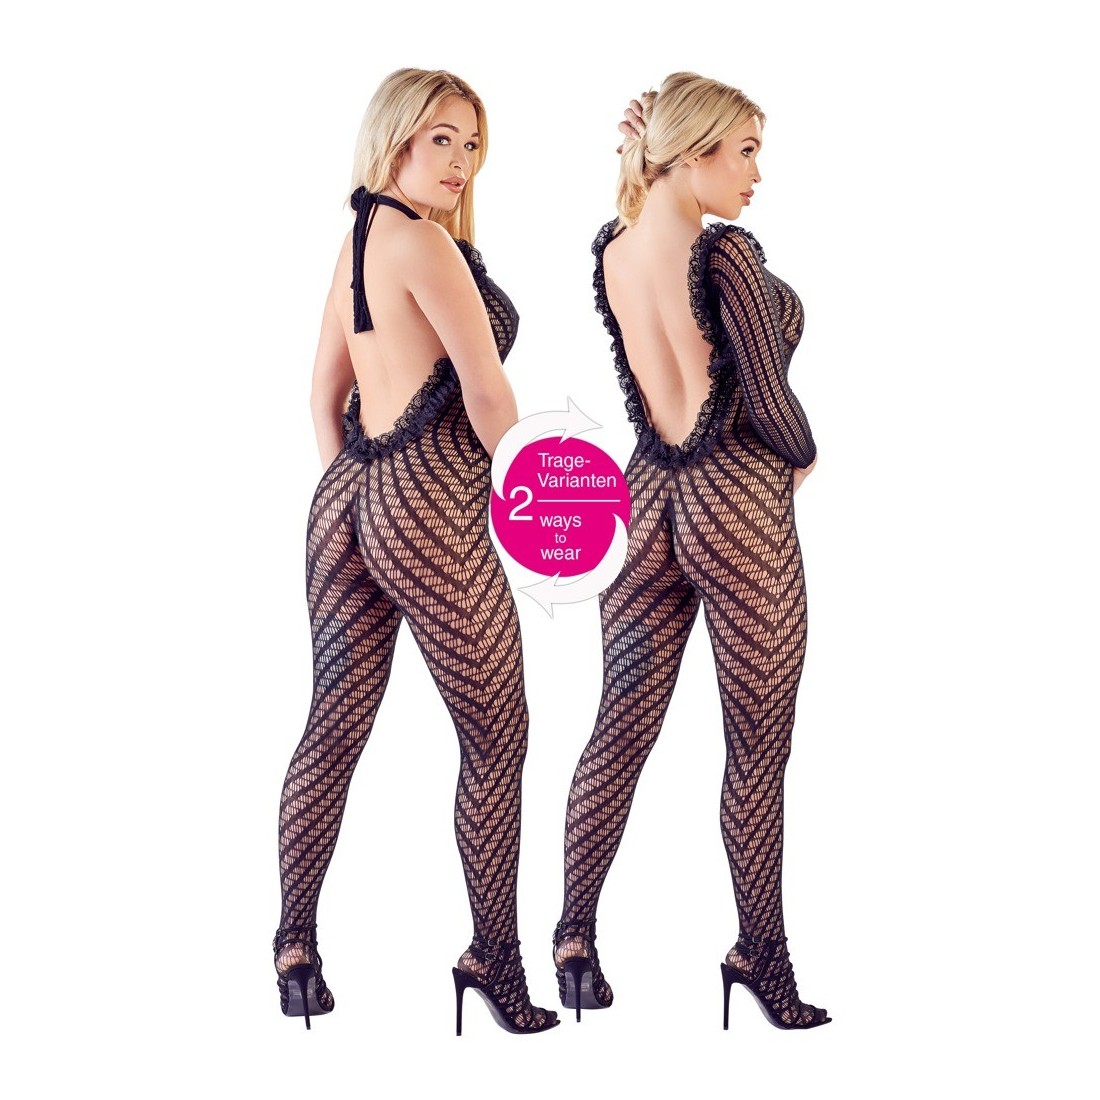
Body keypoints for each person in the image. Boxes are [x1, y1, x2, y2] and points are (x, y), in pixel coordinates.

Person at [273, 67, 558, 1035]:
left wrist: (357, 497)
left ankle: (295, 950)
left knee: (330, 729)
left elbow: (323, 397)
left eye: (472, 144)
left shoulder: (357, 241)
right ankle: (493, 960)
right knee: (497, 735)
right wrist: (531, 508)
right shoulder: (424, 242)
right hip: (427, 504)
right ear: (395, 135)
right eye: (442, 137)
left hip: (344, 500)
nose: (461, 159)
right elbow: (485, 391)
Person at [552, 72, 830, 1030]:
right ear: (695, 151)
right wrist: (803, 455)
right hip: (734, 499)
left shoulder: (616, 248)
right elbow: (769, 400)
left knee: (617, 728)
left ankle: (573, 940)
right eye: (744, 151)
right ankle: (761, 958)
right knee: (756, 749)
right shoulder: (728, 255)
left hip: (645, 501)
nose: (756, 174)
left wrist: (645, 157)